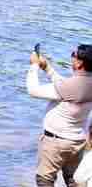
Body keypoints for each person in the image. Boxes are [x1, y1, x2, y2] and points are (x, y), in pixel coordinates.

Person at [27, 44, 92, 187]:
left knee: (44, 180)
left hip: (56, 143)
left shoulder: (71, 86)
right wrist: (47, 68)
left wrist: (34, 66)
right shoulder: (86, 83)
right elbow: (65, 86)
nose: (71, 56)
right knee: (72, 179)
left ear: (80, 62)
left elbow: (33, 90)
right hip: (78, 141)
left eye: (73, 54)